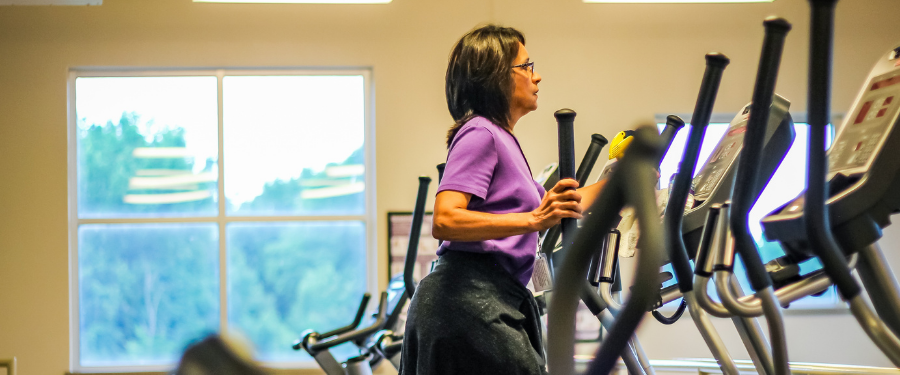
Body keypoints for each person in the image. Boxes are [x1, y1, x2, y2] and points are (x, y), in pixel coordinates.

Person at [399, 25, 606, 375]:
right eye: (527, 66)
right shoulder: (481, 133)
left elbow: (566, 204)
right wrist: (533, 221)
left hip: (487, 298)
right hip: (465, 301)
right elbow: (446, 219)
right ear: (496, 76)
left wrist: (627, 183)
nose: (537, 77)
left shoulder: (503, 140)